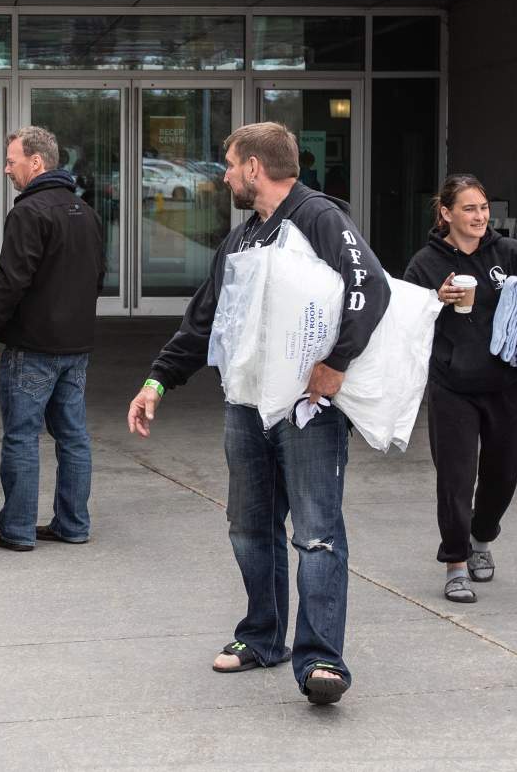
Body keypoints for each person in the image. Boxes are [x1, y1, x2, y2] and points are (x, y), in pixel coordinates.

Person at [126, 122, 390, 706]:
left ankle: (321, 659)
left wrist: (336, 363)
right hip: (246, 406)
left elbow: (369, 286)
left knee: (316, 534)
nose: (223, 177)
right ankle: (263, 637)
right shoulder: (243, 238)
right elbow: (204, 319)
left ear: (254, 167)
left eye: (228, 164)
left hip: (308, 410)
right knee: (249, 528)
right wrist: (157, 380)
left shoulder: (319, 217)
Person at [404, 174, 517, 604]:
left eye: (483, 208)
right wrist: (433, 299)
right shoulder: (426, 263)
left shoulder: (509, 253)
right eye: (469, 209)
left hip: (506, 384)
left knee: (503, 475)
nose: (480, 217)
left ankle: (481, 537)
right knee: (456, 479)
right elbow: (403, 319)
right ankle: (456, 562)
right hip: (453, 387)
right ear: (446, 213)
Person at [0, 126, 105, 552]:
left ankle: (17, 530)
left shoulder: (28, 213)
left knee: (21, 436)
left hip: (32, 347)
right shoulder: (86, 212)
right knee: (73, 437)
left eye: (11, 161)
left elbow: (11, 280)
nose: (6, 169)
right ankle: (73, 524)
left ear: (36, 162)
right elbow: (98, 277)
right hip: (76, 347)